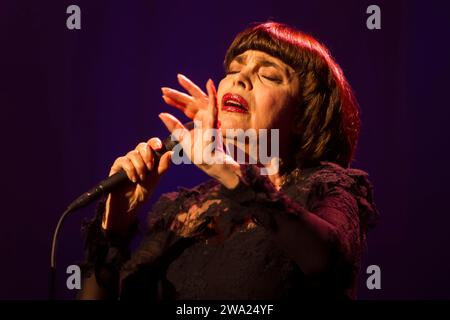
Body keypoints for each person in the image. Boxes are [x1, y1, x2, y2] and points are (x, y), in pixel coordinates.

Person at [78, 22, 378, 300]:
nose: (240, 78)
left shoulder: (328, 189)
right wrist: (114, 227)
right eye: (233, 70)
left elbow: (330, 265)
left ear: (303, 115)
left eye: (268, 75)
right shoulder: (183, 210)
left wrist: (227, 170)